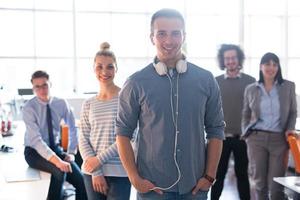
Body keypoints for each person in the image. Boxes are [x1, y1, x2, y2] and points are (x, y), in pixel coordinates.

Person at [116, 8, 225, 200]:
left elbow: (216, 130)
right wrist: (134, 178)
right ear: (152, 37)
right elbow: (122, 133)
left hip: (195, 187)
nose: (169, 41)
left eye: (175, 33)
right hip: (152, 188)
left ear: (184, 36)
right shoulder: (135, 83)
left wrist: (209, 176)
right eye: (161, 33)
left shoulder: (206, 80)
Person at [23, 70, 87, 200]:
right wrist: (58, 161)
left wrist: (71, 152)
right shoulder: (29, 108)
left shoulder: (61, 103)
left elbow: (73, 127)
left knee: (81, 181)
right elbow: (36, 141)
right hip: (33, 152)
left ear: (50, 84)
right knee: (59, 171)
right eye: (37, 86)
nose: (42, 89)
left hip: (55, 148)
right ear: (33, 88)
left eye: (44, 85)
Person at [79, 42, 131, 200]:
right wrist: (96, 170)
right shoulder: (88, 103)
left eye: (110, 66)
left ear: (116, 69)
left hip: (120, 172)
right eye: (99, 66)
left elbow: (129, 137)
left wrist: (98, 161)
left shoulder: (126, 99)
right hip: (92, 173)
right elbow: (83, 138)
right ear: (93, 68)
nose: (104, 71)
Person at [242, 52, 297, 200]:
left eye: (275, 64)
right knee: (259, 184)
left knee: (276, 185)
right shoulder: (251, 89)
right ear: (261, 67)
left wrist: (290, 128)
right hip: (256, 140)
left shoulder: (288, 86)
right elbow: (246, 113)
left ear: (278, 67)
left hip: (279, 140)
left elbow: (293, 112)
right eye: (267, 64)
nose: (271, 67)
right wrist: (246, 133)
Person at [211, 44, 255, 200]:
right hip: (220, 138)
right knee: (218, 175)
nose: (230, 61)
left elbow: (255, 111)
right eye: (227, 58)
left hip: (242, 138)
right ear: (223, 61)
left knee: (242, 175)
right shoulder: (215, 82)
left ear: (239, 59)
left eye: (233, 58)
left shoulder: (251, 81)